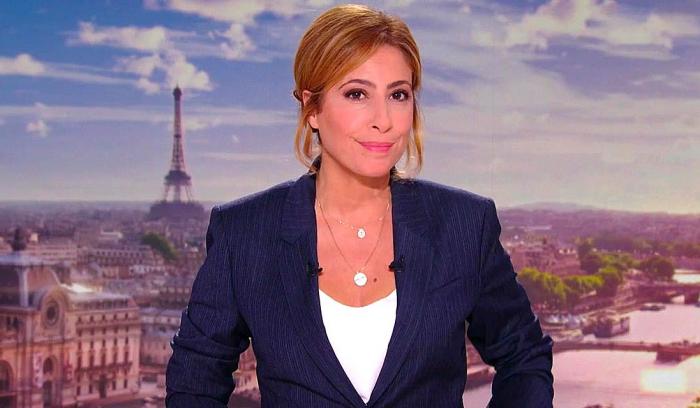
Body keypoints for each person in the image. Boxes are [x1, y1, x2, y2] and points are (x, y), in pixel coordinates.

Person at [165, 4, 553, 407]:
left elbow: (524, 357)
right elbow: (195, 379)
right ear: (312, 108)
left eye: (398, 95)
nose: (383, 120)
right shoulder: (244, 232)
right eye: (357, 94)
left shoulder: (464, 224)